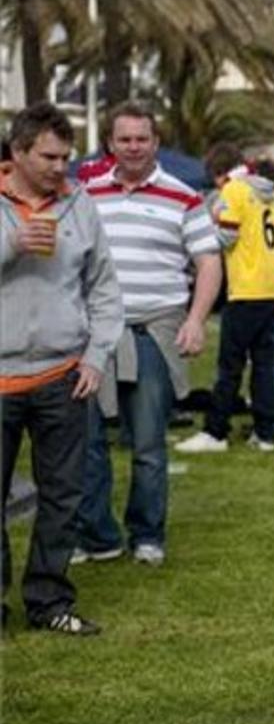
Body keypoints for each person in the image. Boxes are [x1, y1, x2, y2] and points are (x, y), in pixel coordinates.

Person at [73, 101, 222, 566]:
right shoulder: (85, 193)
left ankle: (147, 535)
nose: (133, 147)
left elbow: (209, 262)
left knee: (149, 443)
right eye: (125, 139)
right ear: (110, 144)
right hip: (94, 334)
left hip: (154, 331)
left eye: (142, 139)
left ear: (155, 143)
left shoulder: (185, 196)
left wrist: (196, 319)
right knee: (88, 442)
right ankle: (97, 536)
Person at [1, 102, 123, 635]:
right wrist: (12, 244)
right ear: (17, 153)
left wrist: (97, 356)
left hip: (62, 376)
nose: (60, 167)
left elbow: (104, 288)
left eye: (66, 156)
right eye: (49, 156)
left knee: (63, 498)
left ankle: (49, 602)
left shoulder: (81, 204)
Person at [176, 154, 274, 454]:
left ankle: (216, 431)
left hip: (246, 288)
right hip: (271, 286)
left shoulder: (235, 190)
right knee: (263, 363)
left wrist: (195, 240)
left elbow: (225, 236)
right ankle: (265, 432)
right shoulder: (267, 194)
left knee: (230, 366)